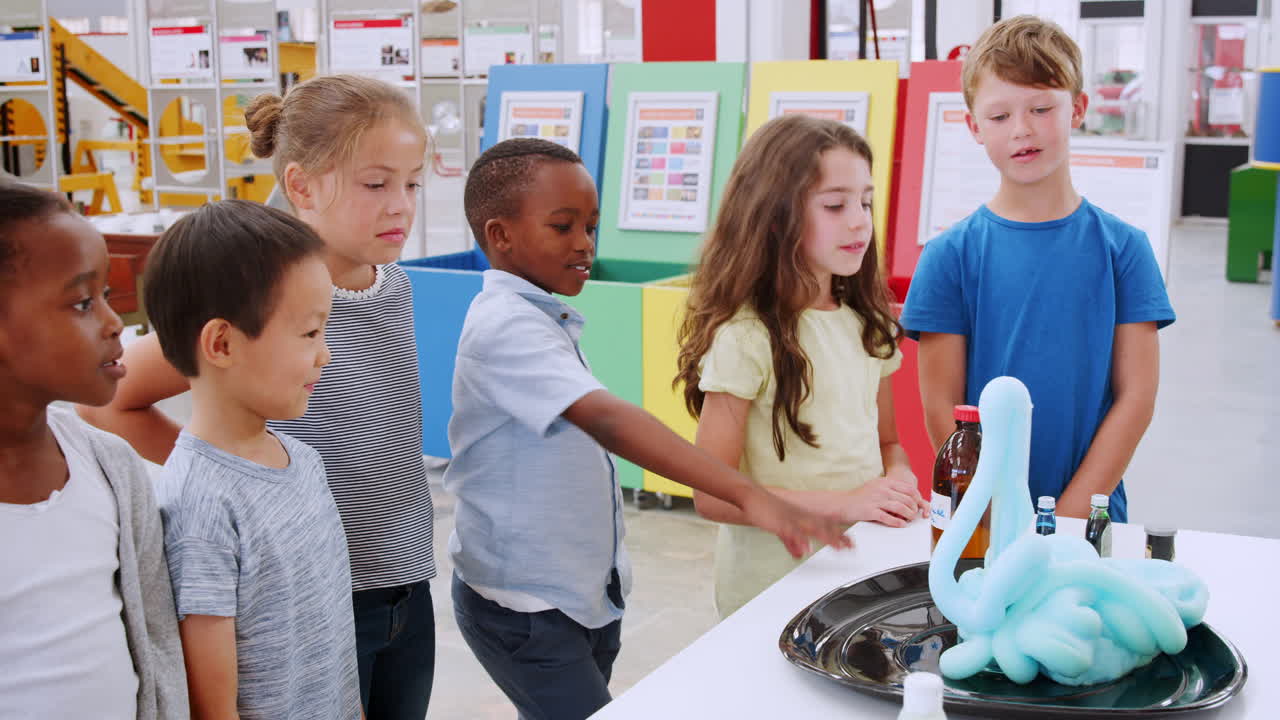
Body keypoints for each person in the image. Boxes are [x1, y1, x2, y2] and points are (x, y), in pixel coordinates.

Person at [447, 138, 853, 720]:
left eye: (591, 225)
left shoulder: (544, 316)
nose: (585, 244)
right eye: (562, 227)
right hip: (525, 608)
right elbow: (608, 420)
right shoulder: (505, 327)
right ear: (499, 235)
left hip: (580, 600)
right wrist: (748, 494)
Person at [77, 74, 437, 718]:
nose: (401, 206)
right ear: (301, 186)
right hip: (311, 603)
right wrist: (234, 475)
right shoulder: (260, 303)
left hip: (406, 585)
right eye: (376, 184)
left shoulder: (397, 287)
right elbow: (108, 395)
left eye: (413, 184)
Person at [900, 15, 1175, 522]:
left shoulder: (1124, 251)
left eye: (1042, 108)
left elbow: (1136, 398)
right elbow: (942, 409)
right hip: (981, 517)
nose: (1022, 130)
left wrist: (1065, 518)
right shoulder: (949, 258)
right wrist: (995, 508)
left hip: (1089, 517)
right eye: (1000, 116)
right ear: (974, 127)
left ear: (1078, 110)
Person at [674, 115, 930, 618]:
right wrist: (848, 503)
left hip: (858, 574)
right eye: (835, 205)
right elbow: (711, 495)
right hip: (769, 587)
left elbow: (887, 444)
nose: (859, 220)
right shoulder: (745, 338)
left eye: (866, 201)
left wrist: (897, 481)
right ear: (774, 217)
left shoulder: (868, 325)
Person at [146, 200, 360, 719]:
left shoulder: (303, 459)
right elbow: (213, 707)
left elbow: (334, 641)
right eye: (310, 333)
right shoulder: (199, 503)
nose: (325, 353)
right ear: (222, 343)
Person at [0, 181, 188, 719]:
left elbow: (155, 638)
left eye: (107, 295)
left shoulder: (112, 470)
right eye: (83, 302)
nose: (113, 323)